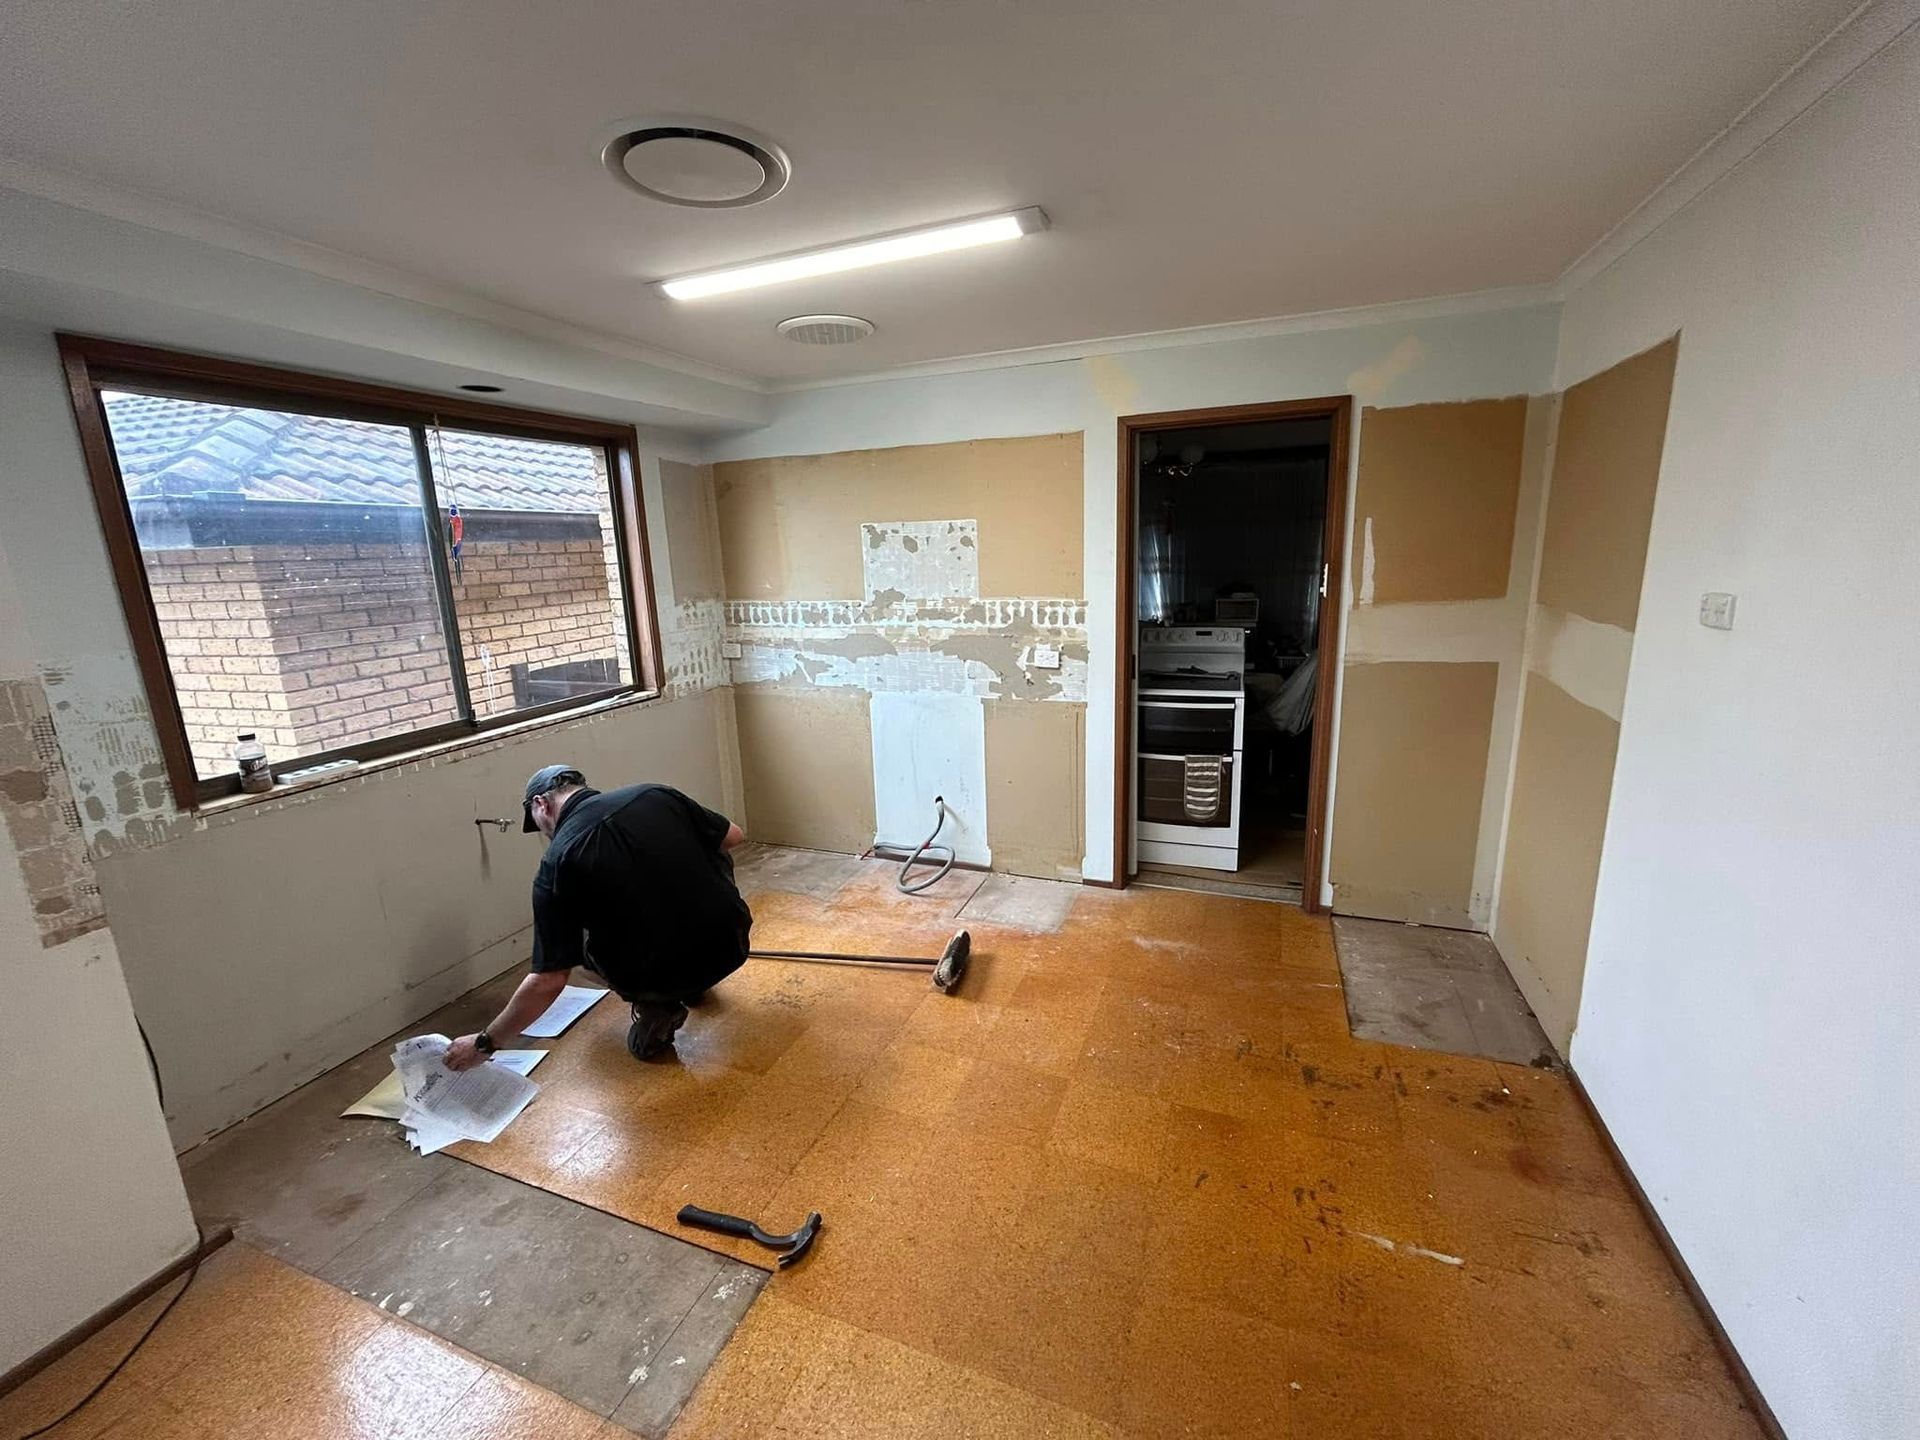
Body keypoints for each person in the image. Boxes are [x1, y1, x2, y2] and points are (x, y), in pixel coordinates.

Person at [445, 764, 750, 1070]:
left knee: (576, 944)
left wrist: (484, 1043)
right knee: (712, 845)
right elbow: (734, 835)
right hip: (732, 944)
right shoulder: (654, 794)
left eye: (539, 825)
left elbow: (548, 979)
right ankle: (694, 986)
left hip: (664, 973)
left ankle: (659, 1004)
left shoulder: (557, 862)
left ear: (541, 804)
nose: (545, 834)